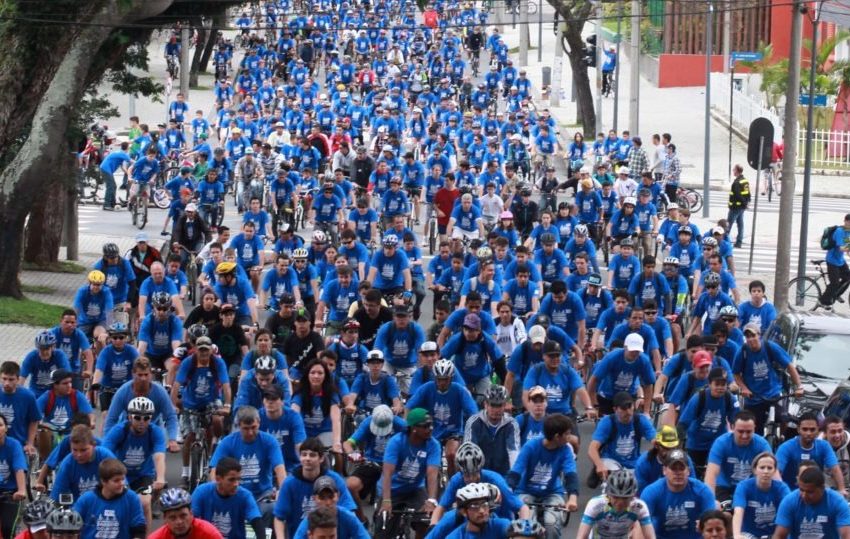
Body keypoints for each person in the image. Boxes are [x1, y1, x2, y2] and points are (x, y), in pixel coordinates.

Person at [209, 406, 286, 534]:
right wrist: (219, 490)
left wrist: (281, 491)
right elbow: (214, 470)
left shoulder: (269, 441)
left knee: (276, 510)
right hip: (235, 494)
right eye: (246, 428)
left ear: (259, 423)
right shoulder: (228, 442)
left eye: (253, 428)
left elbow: (280, 469)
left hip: (262, 496)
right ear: (238, 426)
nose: (250, 432)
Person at [506, 414, 578, 539]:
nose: (569, 437)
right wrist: (508, 492)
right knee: (527, 524)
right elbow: (516, 472)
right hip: (526, 491)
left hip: (552, 493)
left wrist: (572, 498)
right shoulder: (531, 446)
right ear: (557, 436)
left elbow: (571, 474)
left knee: (552, 523)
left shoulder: (566, 449)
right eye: (567, 434)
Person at [377, 408, 441, 539]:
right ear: (413, 428)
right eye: (425, 426)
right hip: (393, 489)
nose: (430, 429)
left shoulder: (433, 445)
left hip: (415, 489)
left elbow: (432, 474)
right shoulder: (396, 442)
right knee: (382, 530)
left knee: (425, 520)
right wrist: (387, 500)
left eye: (431, 425)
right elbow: (387, 474)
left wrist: (431, 500)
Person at [102, 397, 166, 526]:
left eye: (146, 418)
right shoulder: (119, 430)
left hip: (143, 476)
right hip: (120, 475)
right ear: (130, 417)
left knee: (145, 503)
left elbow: (159, 457)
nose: (142, 422)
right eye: (137, 418)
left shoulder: (156, 432)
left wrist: (160, 478)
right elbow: (104, 454)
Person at [732, 322, 803, 433]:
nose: (751, 339)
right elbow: (736, 374)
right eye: (748, 337)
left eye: (753, 335)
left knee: (784, 419)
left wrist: (799, 386)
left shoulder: (770, 347)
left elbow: (789, 366)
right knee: (754, 430)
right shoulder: (742, 352)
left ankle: (780, 440)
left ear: (759, 335)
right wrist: (744, 388)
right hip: (753, 398)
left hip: (772, 394)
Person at [641, 449, 717, 539]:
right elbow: (640, 523)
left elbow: (712, 522)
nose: (678, 473)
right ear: (664, 470)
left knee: (717, 509)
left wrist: (705, 523)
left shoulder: (702, 491)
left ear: (688, 471)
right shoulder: (651, 492)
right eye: (673, 468)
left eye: (681, 468)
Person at [703, 410, 772, 505]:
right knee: (725, 515)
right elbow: (711, 474)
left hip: (750, 487)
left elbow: (773, 473)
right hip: (724, 487)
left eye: (748, 432)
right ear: (732, 427)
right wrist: (710, 501)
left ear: (754, 428)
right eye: (740, 431)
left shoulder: (762, 445)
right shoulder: (721, 443)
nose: (744, 436)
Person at [588, 391, 656, 484]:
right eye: (623, 408)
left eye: (630, 407)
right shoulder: (607, 422)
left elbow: (655, 440)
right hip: (611, 460)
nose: (628, 412)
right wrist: (599, 465)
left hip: (634, 463)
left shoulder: (640, 420)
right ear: (615, 409)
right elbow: (592, 448)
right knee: (618, 482)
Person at [192, 456, 264, 539]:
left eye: (238, 479)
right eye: (231, 480)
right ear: (218, 479)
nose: (236, 484)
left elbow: (257, 522)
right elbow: (191, 522)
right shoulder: (201, 492)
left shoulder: (245, 496)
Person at [73, 458, 146, 539]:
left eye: (122, 479)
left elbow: (139, 530)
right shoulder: (86, 499)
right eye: (116, 481)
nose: (121, 483)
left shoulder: (132, 498)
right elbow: (72, 525)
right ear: (103, 481)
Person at [776, 411, 846, 493]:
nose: (808, 433)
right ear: (798, 429)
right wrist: (781, 492)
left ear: (818, 430)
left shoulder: (824, 446)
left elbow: (835, 469)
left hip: (815, 493)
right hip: (790, 493)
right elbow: (777, 472)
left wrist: (842, 489)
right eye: (805, 429)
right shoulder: (786, 447)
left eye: (812, 430)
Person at [774, 466, 850, 539]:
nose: (804, 495)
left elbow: (847, 535)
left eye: (810, 492)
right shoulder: (789, 501)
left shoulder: (837, 502)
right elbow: (779, 536)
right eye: (801, 490)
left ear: (822, 488)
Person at [576, 469, 655, 539]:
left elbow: (650, 537)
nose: (620, 503)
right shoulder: (596, 504)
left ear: (633, 496)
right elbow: (581, 536)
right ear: (608, 494)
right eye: (616, 497)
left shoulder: (639, 507)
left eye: (625, 498)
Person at [462, 386, 520, 476]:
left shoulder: (511, 424)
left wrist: (513, 476)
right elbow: (469, 450)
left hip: (503, 476)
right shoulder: (474, 422)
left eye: (499, 405)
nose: (496, 410)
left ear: (505, 405)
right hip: (479, 474)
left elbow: (513, 451)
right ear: (485, 404)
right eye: (492, 405)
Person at [731, 452, 789, 539]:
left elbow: (789, 511)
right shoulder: (743, 486)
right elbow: (738, 511)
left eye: (769, 468)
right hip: (748, 534)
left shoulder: (782, 488)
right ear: (754, 470)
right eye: (762, 467)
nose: (766, 471)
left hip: (775, 534)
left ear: (774, 470)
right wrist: (737, 535)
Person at [50, 424, 116, 502]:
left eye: (83, 450)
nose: (79, 455)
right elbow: (56, 498)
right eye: (74, 450)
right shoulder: (67, 464)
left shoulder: (105, 456)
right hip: (77, 508)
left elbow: (123, 487)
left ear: (94, 446)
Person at [291, 476, 370, 539]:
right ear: (315, 499)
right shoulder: (308, 522)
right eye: (322, 497)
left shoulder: (349, 517)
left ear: (338, 496)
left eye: (331, 496)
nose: (328, 502)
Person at [149, 487, 223, 539]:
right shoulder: (156, 537)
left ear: (191, 514)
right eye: (172, 517)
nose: (179, 522)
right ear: (165, 519)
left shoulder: (209, 533)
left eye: (183, 515)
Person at [445, 483, 512, 539]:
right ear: (464, 512)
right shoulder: (455, 537)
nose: (482, 510)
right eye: (474, 506)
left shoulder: (501, 525)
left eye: (484, 504)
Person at [818, 213, 850, 309]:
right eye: (849, 222)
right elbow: (841, 248)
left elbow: (848, 247)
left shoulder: (847, 232)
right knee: (834, 282)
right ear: (845, 221)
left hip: (840, 260)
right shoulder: (840, 231)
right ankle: (822, 301)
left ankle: (836, 294)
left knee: (848, 278)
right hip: (832, 261)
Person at [822, 415, 850, 490]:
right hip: (826, 491)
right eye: (833, 432)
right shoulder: (817, 447)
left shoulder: (849, 443)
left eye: (840, 431)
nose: (837, 435)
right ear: (825, 433)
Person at [726, 164, 750, 248]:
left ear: (737, 171)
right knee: (740, 225)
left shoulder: (736, 182)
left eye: (734, 170)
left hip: (735, 207)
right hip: (741, 208)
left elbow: (738, 195)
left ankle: (724, 241)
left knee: (728, 225)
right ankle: (739, 242)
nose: (733, 171)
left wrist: (744, 203)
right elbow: (748, 194)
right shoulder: (745, 181)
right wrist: (746, 203)